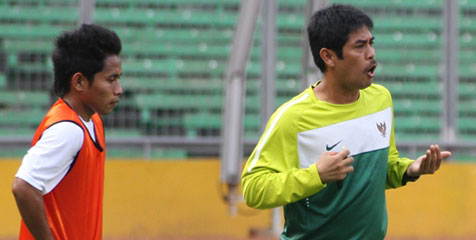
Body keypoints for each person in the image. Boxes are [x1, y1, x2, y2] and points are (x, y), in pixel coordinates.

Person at [241, 4, 451, 240]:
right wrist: (316, 176)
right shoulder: (293, 118)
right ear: (328, 56)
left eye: (371, 43)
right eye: (359, 46)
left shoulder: (381, 100)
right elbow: (253, 189)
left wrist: (410, 169)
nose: (370, 53)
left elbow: (382, 169)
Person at [11, 24, 123, 240]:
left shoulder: (93, 120)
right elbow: (23, 187)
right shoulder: (67, 131)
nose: (119, 89)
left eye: (119, 78)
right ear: (79, 81)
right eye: (111, 79)